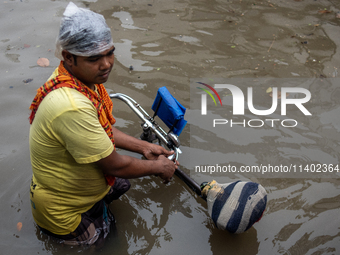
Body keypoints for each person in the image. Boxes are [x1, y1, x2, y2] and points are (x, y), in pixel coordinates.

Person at [28, 2, 178, 246]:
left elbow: (100, 130)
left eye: (109, 53)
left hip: (70, 185)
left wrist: (143, 147)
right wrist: (159, 167)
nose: (107, 63)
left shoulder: (74, 79)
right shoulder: (71, 105)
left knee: (123, 185)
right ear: (68, 57)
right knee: (110, 243)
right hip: (62, 212)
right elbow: (115, 166)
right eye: (95, 57)